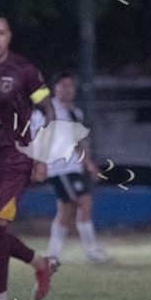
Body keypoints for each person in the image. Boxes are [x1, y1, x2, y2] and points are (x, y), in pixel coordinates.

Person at [0, 9, 58, 300]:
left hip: (15, 159)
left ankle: (0, 299)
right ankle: (40, 263)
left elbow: (49, 111)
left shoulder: (24, 71)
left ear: (9, 37)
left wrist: (42, 157)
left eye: (0, 33)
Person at [30, 72, 111, 264]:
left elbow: (78, 143)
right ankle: (92, 251)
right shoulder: (47, 110)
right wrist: (38, 162)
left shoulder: (76, 112)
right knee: (84, 202)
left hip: (73, 167)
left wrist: (89, 165)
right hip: (59, 167)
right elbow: (35, 136)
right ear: (55, 88)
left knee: (66, 210)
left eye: (71, 85)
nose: (68, 89)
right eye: (63, 85)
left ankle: (53, 255)